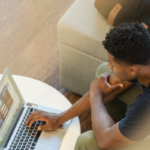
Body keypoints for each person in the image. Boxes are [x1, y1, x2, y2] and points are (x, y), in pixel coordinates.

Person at [26, 22, 150, 150]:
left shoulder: (145, 105)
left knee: (86, 142)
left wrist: (95, 95)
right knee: (105, 74)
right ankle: (112, 128)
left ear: (132, 70)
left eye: (113, 65)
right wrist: (59, 118)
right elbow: (105, 84)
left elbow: (104, 143)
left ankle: (113, 133)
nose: (110, 66)